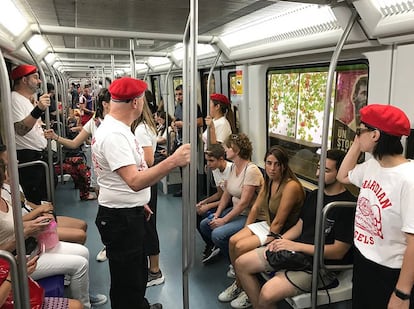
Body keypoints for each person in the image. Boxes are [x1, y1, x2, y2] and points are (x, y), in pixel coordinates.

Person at [92, 77, 190, 309]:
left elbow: (124, 179)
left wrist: (138, 202)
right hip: (121, 218)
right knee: (127, 283)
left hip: (127, 211)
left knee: (135, 275)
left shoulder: (118, 129)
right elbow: (134, 181)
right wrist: (173, 161)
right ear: (136, 102)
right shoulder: (115, 135)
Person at [236, 149, 356, 309]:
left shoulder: (347, 206)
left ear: (340, 173)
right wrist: (280, 241)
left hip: (321, 266)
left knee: (267, 293)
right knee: (241, 263)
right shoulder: (315, 195)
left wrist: (295, 246)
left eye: (326, 170)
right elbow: (300, 225)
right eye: (319, 167)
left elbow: (338, 251)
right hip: (298, 254)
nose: (318, 173)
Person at [0, 158, 107, 308]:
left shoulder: (3, 195)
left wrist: (32, 225)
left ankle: (82, 291)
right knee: (80, 264)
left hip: (30, 244)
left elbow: (15, 223)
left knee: (83, 252)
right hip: (16, 258)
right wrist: (25, 232)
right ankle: (84, 304)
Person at [336, 104, 414, 309]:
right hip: (363, 260)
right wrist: (357, 145)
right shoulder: (372, 166)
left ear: (375, 135)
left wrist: (402, 294)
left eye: (360, 131)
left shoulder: (409, 179)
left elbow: (413, 242)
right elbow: (342, 175)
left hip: (389, 272)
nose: (356, 136)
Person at [219, 146, 305, 308]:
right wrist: (246, 228)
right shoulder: (269, 180)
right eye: (269, 163)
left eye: (277, 164)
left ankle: (247, 291)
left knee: (241, 246)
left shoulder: (291, 186)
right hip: (268, 225)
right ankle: (240, 284)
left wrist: (267, 242)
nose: (272, 168)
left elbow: (279, 222)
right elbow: (256, 207)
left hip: (281, 232)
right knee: (233, 241)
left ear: (284, 166)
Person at [0, 143, 87, 245]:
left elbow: (25, 203)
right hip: (28, 226)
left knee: (82, 225)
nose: (17, 162)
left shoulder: (13, 183)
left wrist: (41, 209)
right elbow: (13, 222)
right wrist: (39, 211)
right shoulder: (3, 193)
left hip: (34, 217)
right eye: (8, 163)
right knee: (79, 235)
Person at [199, 133, 263, 261]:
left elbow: (244, 203)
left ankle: (235, 263)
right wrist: (217, 214)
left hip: (249, 215)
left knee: (218, 234)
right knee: (205, 225)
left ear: (236, 150)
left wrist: (224, 220)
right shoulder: (234, 166)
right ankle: (224, 251)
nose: (226, 150)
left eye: (228, 147)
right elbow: (226, 193)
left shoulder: (251, 170)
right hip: (236, 210)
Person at [131, 96, 165, 288]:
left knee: (149, 224)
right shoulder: (143, 127)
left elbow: (149, 160)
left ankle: (155, 270)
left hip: (145, 179)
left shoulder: (141, 129)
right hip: (145, 180)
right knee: (147, 224)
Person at [10, 64, 51, 204]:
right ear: (24, 80)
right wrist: (38, 109)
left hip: (37, 155)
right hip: (27, 158)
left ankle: (51, 225)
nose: (39, 81)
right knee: (36, 199)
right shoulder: (14, 99)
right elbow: (20, 130)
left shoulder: (26, 100)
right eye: (35, 78)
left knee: (43, 197)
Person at [196, 144, 233, 262]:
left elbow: (228, 198)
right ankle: (211, 244)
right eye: (207, 161)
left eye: (211, 161)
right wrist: (204, 202)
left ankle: (218, 245)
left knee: (205, 218)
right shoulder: (216, 170)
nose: (209, 164)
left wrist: (208, 206)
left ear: (221, 159)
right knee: (197, 213)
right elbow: (219, 194)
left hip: (232, 203)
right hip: (224, 201)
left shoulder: (232, 169)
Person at [171, 84, 203, 197]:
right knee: (181, 165)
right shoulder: (178, 106)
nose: (178, 97)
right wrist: (173, 124)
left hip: (190, 140)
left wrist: (184, 124)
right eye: (176, 95)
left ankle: (194, 192)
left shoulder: (194, 106)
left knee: (191, 166)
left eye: (180, 94)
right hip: (179, 140)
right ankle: (184, 188)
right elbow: (175, 118)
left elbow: (200, 122)